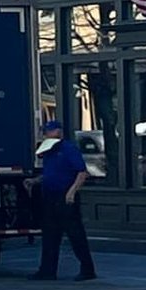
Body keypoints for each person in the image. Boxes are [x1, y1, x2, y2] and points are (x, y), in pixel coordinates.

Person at [30, 118, 97, 281]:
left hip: (65, 196)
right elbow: (50, 173)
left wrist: (72, 192)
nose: (46, 134)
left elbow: (82, 172)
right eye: (45, 132)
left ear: (58, 132)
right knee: (50, 235)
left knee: (75, 234)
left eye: (48, 131)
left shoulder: (68, 149)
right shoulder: (49, 151)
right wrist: (35, 181)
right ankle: (47, 270)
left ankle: (87, 269)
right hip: (50, 196)